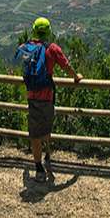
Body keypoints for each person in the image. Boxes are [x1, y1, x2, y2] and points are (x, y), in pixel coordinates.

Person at [15, 17, 82, 182]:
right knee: (46, 128)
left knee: (34, 135)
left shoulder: (26, 48)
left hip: (32, 97)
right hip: (47, 97)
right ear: (48, 31)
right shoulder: (52, 49)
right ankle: (47, 156)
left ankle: (38, 169)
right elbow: (66, 66)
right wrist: (76, 76)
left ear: (34, 30)